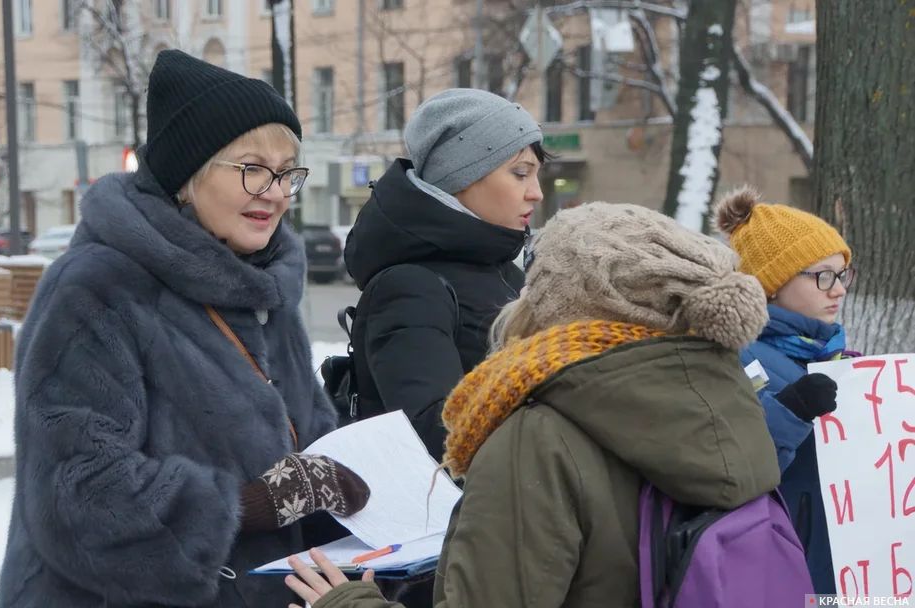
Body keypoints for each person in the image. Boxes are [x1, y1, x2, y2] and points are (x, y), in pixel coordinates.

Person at [0, 50, 370, 608]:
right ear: (187, 175)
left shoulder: (263, 289)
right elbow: (76, 495)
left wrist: (352, 513)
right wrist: (245, 505)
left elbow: (306, 443)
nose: (275, 192)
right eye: (252, 168)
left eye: (288, 171)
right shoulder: (97, 289)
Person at [285, 202, 782, 607]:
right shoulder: (725, 404)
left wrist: (348, 603)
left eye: (536, 277)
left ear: (560, 301)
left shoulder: (540, 436)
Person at [344, 88, 546, 460]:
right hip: (452, 515)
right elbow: (439, 435)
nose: (536, 193)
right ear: (462, 177)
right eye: (520, 174)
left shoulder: (504, 272)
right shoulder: (411, 287)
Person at [713, 187, 854, 595]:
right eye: (822, 275)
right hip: (784, 571)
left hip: (843, 567)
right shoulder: (732, 356)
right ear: (771, 283)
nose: (839, 289)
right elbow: (729, 468)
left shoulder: (831, 353)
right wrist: (790, 412)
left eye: (842, 274)